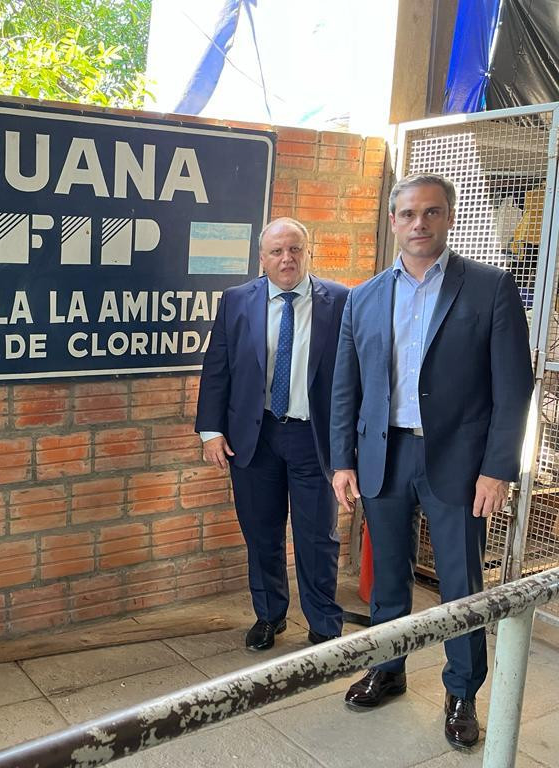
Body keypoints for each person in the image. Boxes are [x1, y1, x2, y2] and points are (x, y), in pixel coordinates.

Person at [330, 173, 533, 750]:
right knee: (387, 575)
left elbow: (512, 387)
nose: (419, 223)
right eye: (408, 214)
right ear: (393, 221)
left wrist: (498, 468)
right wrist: (342, 461)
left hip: (460, 462)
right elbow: (346, 386)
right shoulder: (363, 297)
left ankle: (462, 691)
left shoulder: (489, 287)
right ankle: (387, 669)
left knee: (461, 585)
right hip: (383, 454)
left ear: (448, 218)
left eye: (432, 213)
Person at [196, 217, 347, 651]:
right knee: (261, 532)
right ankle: (269, 615)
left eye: (295, 249)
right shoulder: (237, 301)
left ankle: (323, 624)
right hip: (254, 437)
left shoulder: (339, 300)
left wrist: (347, 442)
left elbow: (351, 375)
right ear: (261, 258)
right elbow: (217, 367)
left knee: (318, 535)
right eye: (277, 251)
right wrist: (211, 431)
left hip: (312, 438)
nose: (287, 258)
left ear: (307, 252)